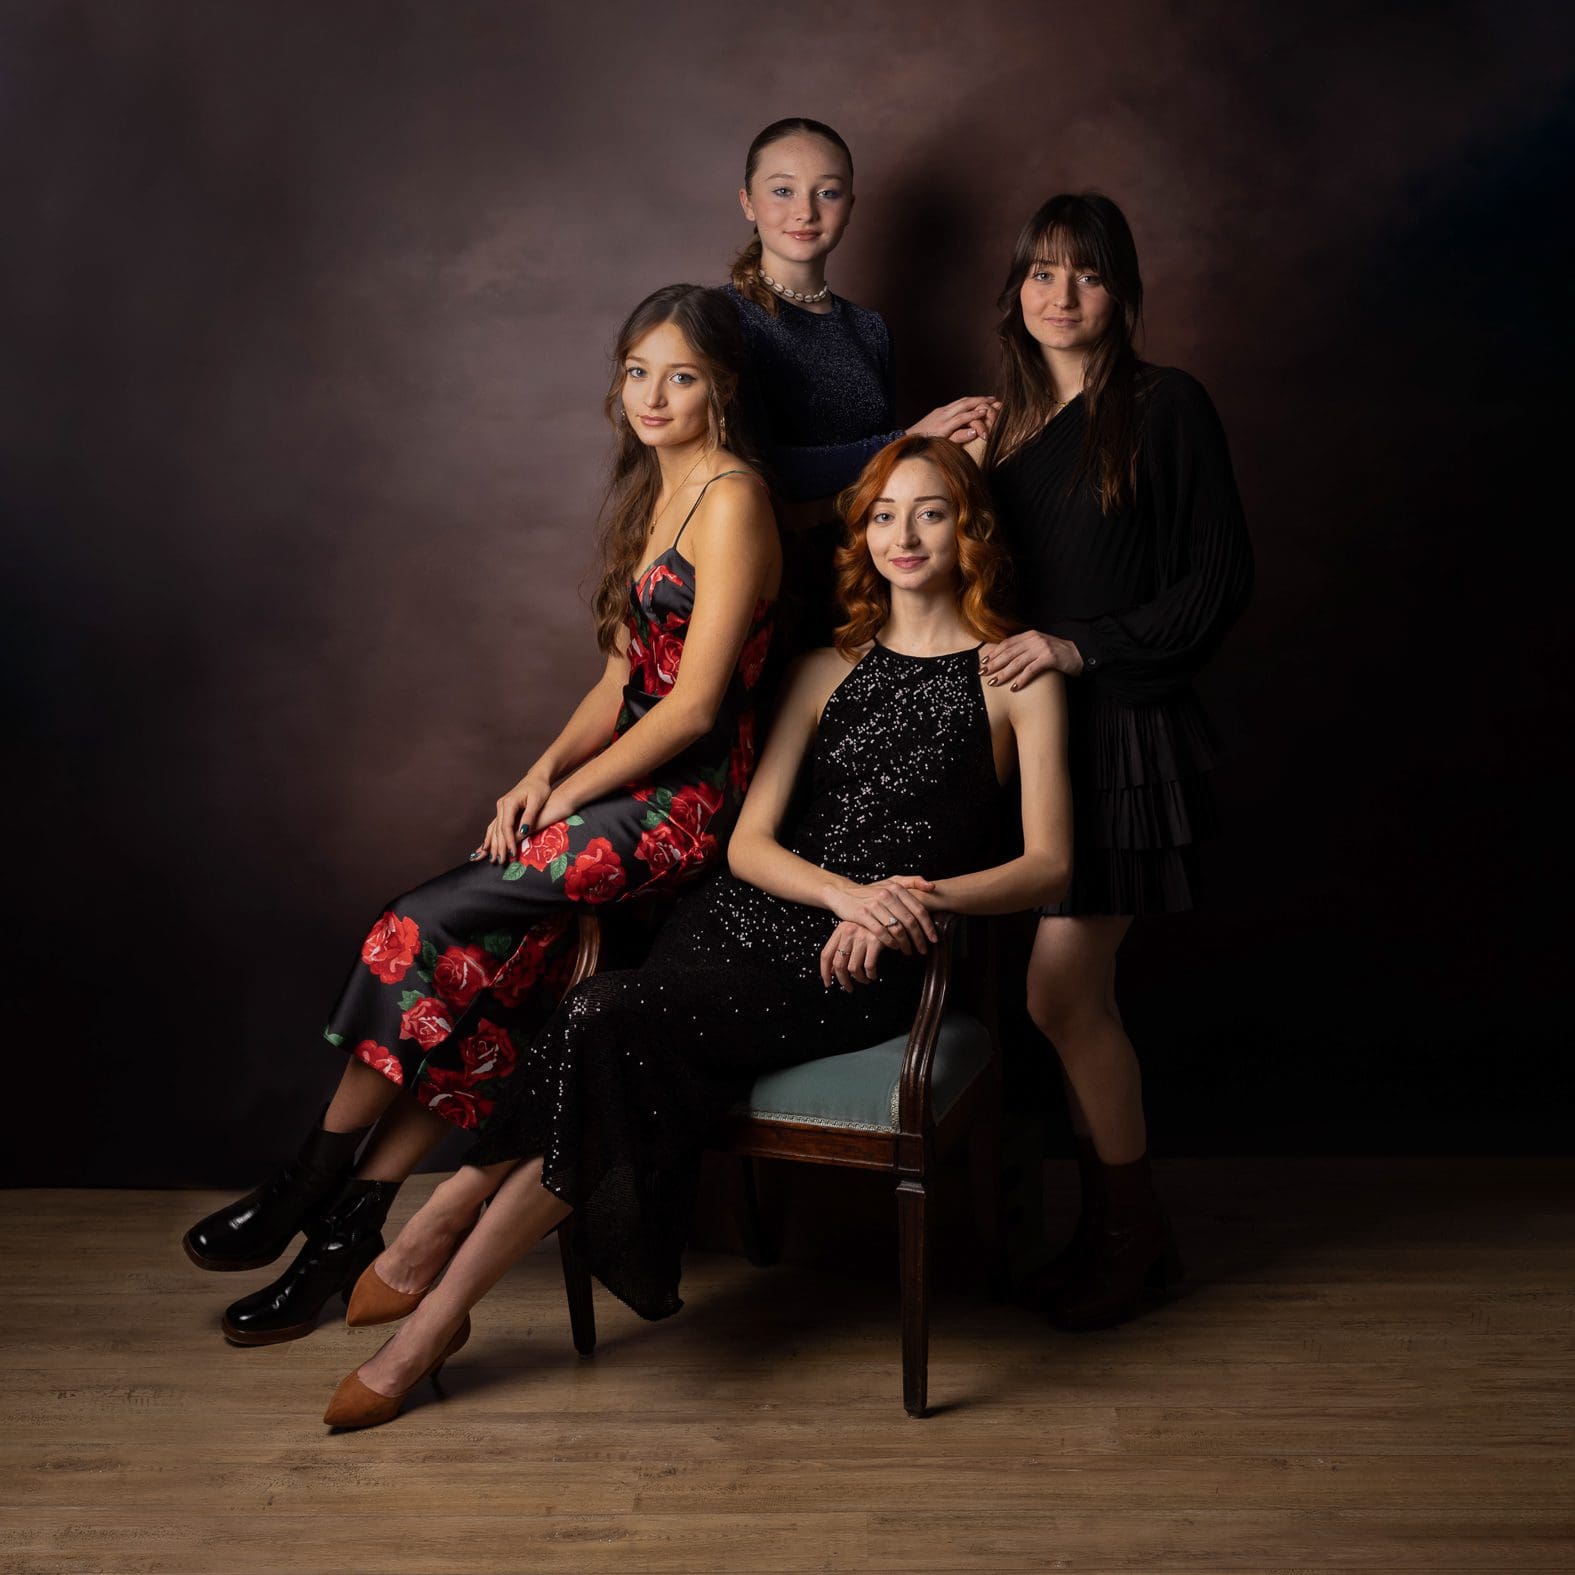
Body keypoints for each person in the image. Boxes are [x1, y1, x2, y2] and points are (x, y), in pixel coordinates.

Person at [316, 434, 1073, 1429]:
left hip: (851, 967)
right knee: (606, 1020)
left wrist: (908, 903)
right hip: (745, 917)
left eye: (929, 511)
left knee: (602, 1017)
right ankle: (440, 1243)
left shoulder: (1015, 676)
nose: (903, 534)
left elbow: (1049, 865)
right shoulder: (820, 668)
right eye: (884, 514)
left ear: (967, 527)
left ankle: (435, 1297)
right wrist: (848, 894)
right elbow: (750, 845)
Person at [181, 284, 781, 1346]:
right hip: (619, 785)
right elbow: (617, 687)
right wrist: (534, 774)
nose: (652, 393)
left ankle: (304, 1190)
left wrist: (568, 796)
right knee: (472, 986)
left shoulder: (734, 497)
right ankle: (344, 1231)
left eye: (680, 375)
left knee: (413, 930)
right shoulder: (651, 489)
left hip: (687, 804)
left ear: (720, 388)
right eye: (637, 369)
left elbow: (691, 707)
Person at [974, 192, 1254, 1329]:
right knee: (1060, 1002)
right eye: (1042, 272)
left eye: (1085, 274)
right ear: (1018, 290)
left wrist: (1081, 647)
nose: (1062, 294)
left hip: (1124, 738)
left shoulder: (1165, 406)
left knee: (1062, 991)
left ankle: (1128, 1231)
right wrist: (938, 462)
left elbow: (1217, 583)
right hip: (1027, 748)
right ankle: (1122, 1233)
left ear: (1121, 291)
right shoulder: (1001, 430)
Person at [723, 117, 999, 643]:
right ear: (747, 203)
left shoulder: (869, 329)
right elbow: (754, 472)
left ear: (850, 206)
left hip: (864, 585)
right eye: (782, 190)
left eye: (827, 192)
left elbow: (884, 488)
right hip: (765, 585)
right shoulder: (723, 320)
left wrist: (962, 438)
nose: (805, 211)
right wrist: (912, 441)